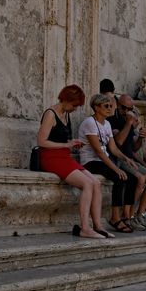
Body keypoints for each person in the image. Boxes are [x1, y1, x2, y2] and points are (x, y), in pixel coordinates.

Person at [36, 85, 109, 239]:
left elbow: (61, 139)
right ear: (66, 99)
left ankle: (98, 226)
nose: (75, 109)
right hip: (50, 157)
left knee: (95, 183)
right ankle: (85, 228)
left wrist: (72, 142)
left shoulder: (66, 114)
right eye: (74, 105)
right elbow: (41, 141)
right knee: (87, 184)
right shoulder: (51, 114)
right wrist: (66, 145)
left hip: (63, 156)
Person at [78, 94, 135, 233]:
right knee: (119, 178)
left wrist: (125, 158)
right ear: (96, 108)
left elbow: (113, 148)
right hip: (90, 162)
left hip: (102, 160)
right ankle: (115, 218)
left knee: (132, 178)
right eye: (106, 106)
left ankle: (125, 215)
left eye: (110, 106)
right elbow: (98, 151)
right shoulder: (90, 123)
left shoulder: (107, 124)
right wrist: (116, 169)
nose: (110, 108)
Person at [109, 94, 146, 230]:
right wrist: (128, 123)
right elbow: (118, 142)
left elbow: (133, 147)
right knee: (140, 179)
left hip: (129, 158)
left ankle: (139, 214)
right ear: (118, 105)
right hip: (119, 159)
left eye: (129, 109)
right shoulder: (112, 121)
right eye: (123, 108)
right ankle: (128, 216)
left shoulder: (129, 122)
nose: (126, 112)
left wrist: (140, 139)